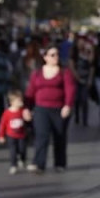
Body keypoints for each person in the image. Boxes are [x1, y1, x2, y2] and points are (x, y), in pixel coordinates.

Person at [25, 45, 75, 174]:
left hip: (59, 109)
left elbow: (70, 89)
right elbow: (30, 91)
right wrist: (26, 108)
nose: (56, 57)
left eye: (57, 54)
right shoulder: (37, 73)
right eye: (52, 55)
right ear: (45, 57)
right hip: (41, 109)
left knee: (59, 136)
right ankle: (39, 163)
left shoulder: (64, 72)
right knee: (42, 135)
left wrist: (67, 105)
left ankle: (60, 163)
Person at [0, 89, 30, 175]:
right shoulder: (7, 113)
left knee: (22, 149)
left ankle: (22, 159)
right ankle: (13, 165)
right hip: (11, 135)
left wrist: (28, 116)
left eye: (21, 100)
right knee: (13, 150)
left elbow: (28, 120)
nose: (21, 102)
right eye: (18, 101)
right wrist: (1, 136)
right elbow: (2, 125)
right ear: (12, 102)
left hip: (22, 135)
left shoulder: (23, 110)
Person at [70, 36, 95, 126]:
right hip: (76, 79)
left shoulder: (87, 53)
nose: (81, 44)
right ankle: (77, 116)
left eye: (83, 42)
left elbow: (91, 64)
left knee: (84, 99)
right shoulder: (74, 54)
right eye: (79, 42)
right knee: (76, 99)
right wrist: (77, 78)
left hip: (85, 78)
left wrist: (90, 51)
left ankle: (85, 119)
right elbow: (72, 67)